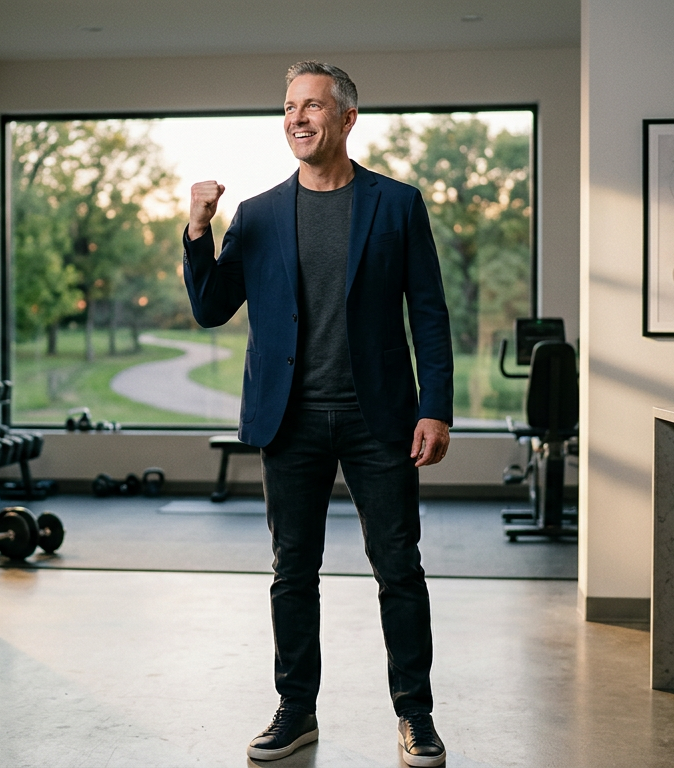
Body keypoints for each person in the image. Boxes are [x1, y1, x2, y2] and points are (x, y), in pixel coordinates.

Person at [182, 61, 452, 767]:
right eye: (290, 107)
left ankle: (416, 718)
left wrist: (437, 408)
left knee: (399, 569)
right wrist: (197, 229)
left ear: (347, 118)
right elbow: (212, 309)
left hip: (381, 421)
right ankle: (295, 711)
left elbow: (429, 315)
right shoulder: (261, 214)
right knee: (291, 571)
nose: (298, 118)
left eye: (313, 106)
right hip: (290, 421)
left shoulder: (397, 204)